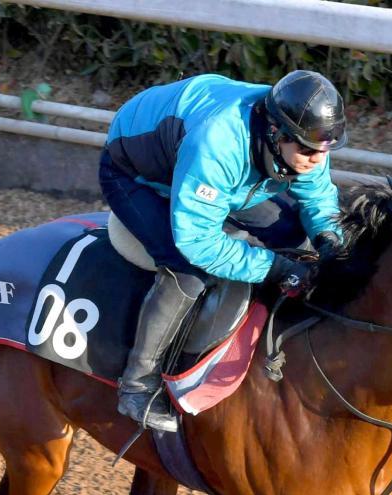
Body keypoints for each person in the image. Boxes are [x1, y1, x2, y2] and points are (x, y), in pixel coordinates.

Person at [99, 69, 348, 432]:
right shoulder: (219, 141)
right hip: (136, 173)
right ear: (277, 133)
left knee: (296, 234)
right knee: (186, 267)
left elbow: (318, 197)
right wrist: (274, 268)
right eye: (308, 149)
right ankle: (137, 386)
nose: (316, 158)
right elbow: (197, 242)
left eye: (324, 148)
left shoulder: (302, 136)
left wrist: (330, 239)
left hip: (225, 179)